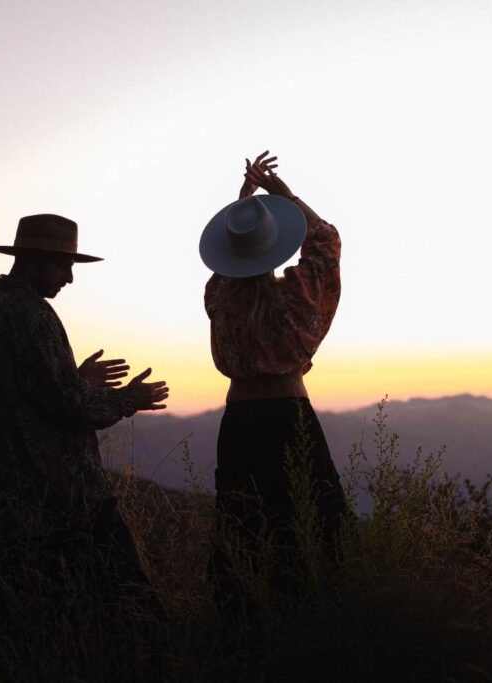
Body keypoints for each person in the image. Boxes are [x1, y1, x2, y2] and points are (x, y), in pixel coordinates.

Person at [0, 213, 169, 624]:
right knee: (130, 607)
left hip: (3, 502)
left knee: (20, 618)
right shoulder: (34, 316)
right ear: (35, 260)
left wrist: (75, 379)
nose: (70, 278)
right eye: (64, 266)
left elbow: (23, 395)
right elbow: (70, 407)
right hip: (60, 499)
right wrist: (128, 398)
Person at [199, 152, 350, 615]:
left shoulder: (220, 298)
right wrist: (282, 196)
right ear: (273, 247)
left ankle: (243, 628)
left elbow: (230, 266)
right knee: (309, 528)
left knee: (242, 530)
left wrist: (241, 207)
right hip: (289, 420)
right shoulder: (297, 298)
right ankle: (310, 625)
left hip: (239, 423)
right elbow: (326, 240)